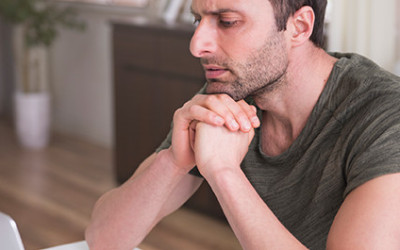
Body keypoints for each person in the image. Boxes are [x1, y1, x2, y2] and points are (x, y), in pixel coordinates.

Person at [85, 0, 400, 249]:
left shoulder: (386, 117)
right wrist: (172, 161)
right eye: (199, 20)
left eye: (227, 22)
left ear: (299, 26)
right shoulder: (236, 93)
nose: (197, 45)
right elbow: (104, 240)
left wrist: (224, 172)